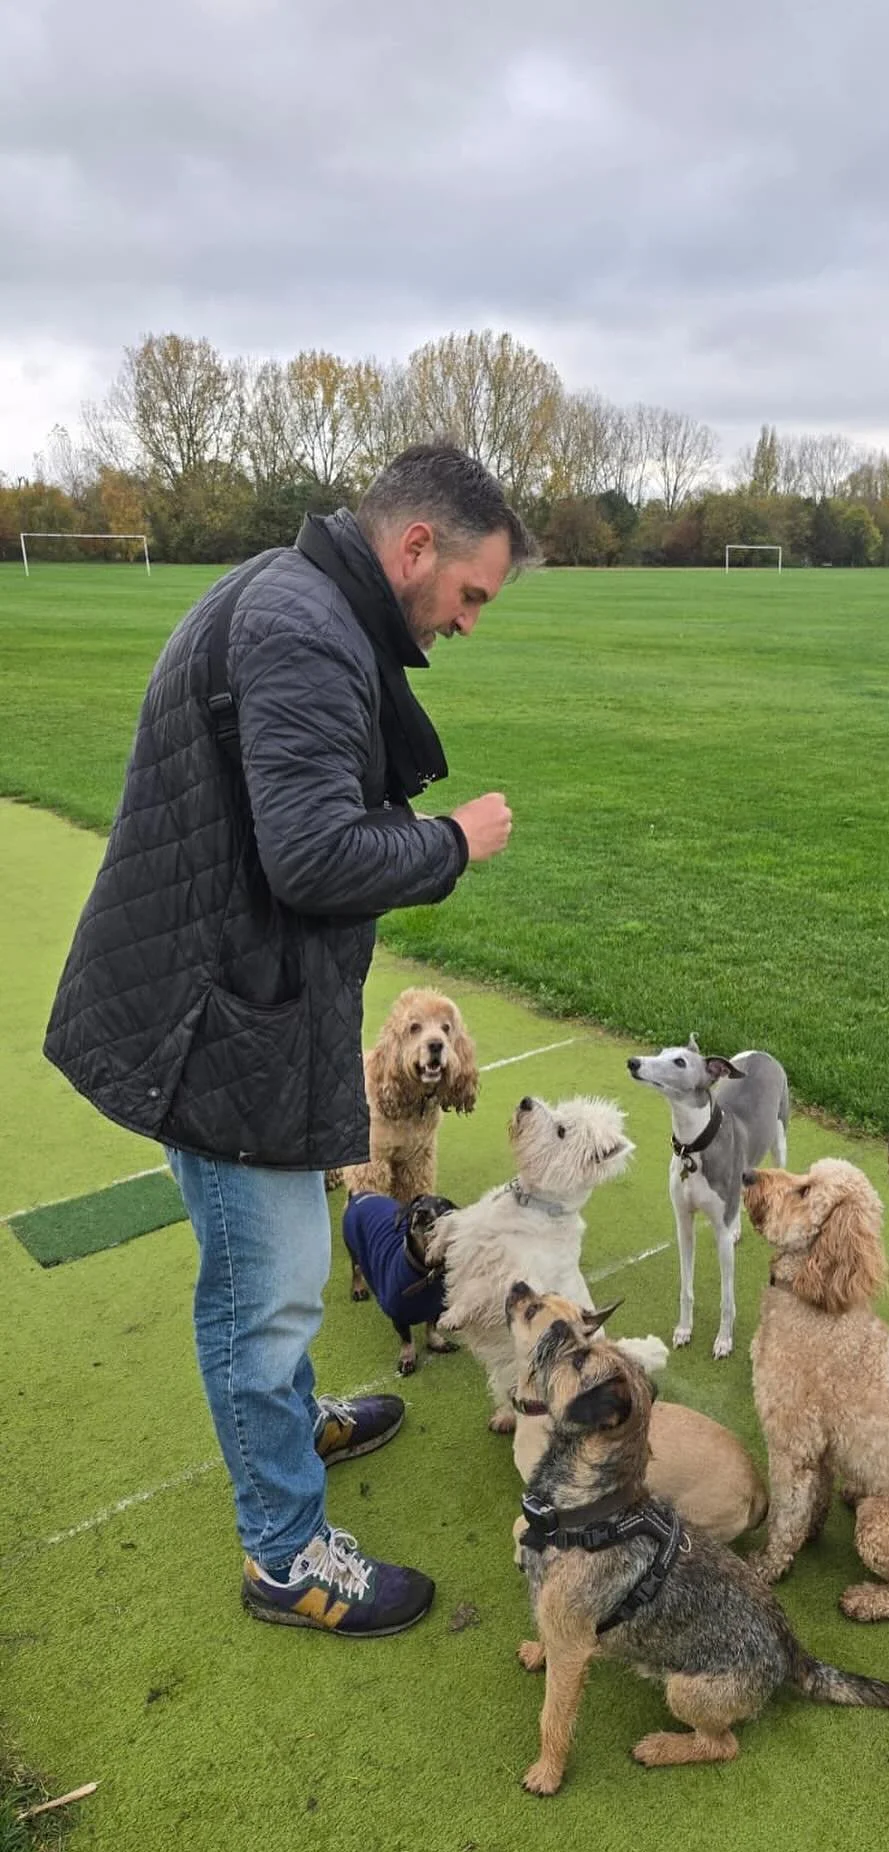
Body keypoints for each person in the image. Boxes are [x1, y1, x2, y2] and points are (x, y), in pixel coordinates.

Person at [45, 444, 535, 1637]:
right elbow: (312, 855)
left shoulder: (301, 596)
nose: (469, 622)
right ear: (414, 546)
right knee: (260, 1295)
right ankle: (284, 1552)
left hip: (228, 994)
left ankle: (290, 1424)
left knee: (281, 1273)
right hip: (213, 1022)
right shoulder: (305, 626)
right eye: (471, 592)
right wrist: (451, 841)